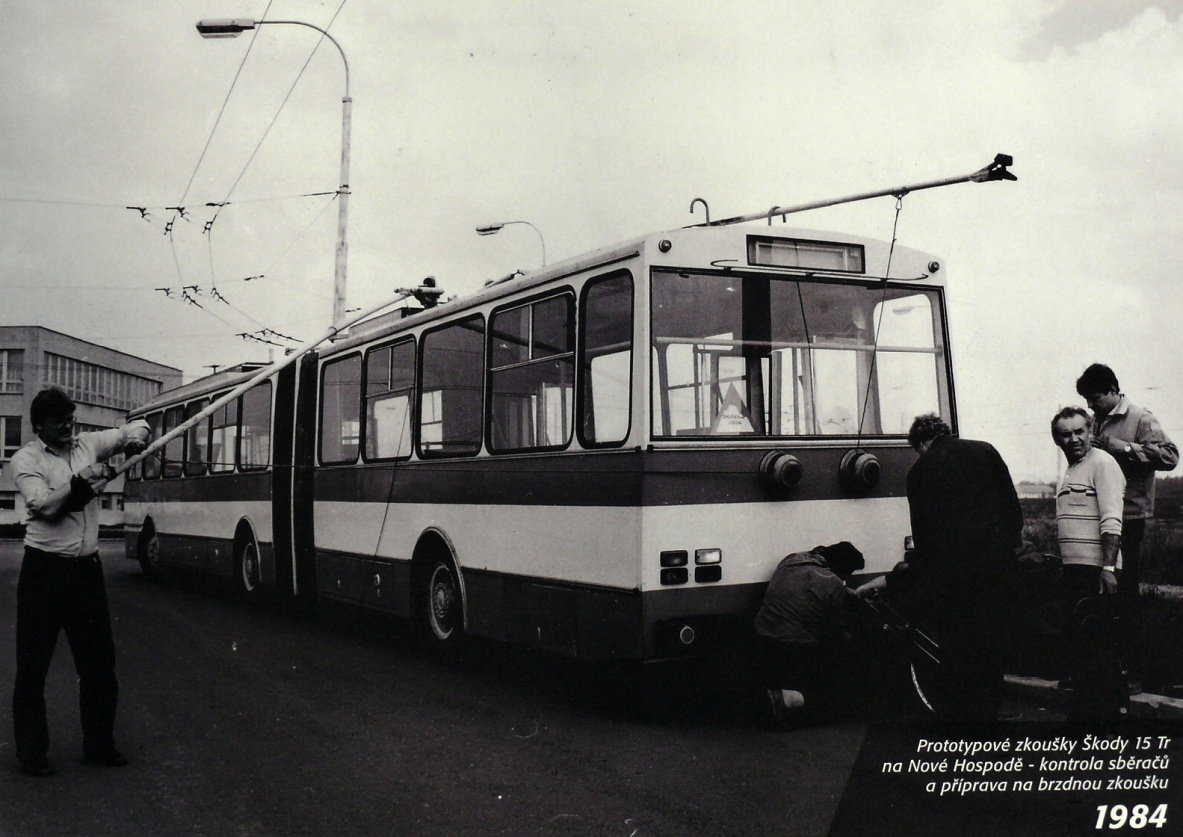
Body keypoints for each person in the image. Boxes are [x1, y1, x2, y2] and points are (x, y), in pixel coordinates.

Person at [6, 388, 149, 777]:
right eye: (59, 422)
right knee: (33, 668)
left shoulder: (87, 442)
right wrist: (85, 479)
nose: (68, 427)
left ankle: (100, 746)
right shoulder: (25, 460)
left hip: (86, 572)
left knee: (100, 666)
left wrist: (137, 435)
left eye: (71, 420)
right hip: (44, 574)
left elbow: (136, 425)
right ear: (39, 425)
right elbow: (48, 507)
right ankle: (32, 755)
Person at [861, 413, 1023, 723]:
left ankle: (961, 712)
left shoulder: (919, 471)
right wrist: (1004, 549)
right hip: (996, 566)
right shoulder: (985, 450)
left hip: (952, 574)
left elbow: (924, 537)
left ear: (921, 442)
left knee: (958, 640)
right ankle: (992, 707)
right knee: (991, 637)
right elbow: (1013, 511)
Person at [1075, 363, 1178, 691]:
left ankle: (1134, 672)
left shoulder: (1140, 417)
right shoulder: (1096, 419)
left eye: (1094, 399)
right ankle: (1101, 670)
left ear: (1110, 391)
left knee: (1125, 593)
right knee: (1098, 592)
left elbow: (1170, 457)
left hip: (1128, 517)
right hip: (1100, 514)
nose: (1090, 406)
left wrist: (1125, 449)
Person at [1051, 405, 1128, 723]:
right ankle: (1087, 719)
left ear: (1091, 431)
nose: (1073, 439)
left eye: (1079, 432)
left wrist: (1107, 570)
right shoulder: (1068, 472)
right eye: (1065, 434)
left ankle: (1109, 721)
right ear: (1057, 438)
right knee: (1082, 647)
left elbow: (1112, 519)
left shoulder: (1103, 464)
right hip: (1074, 570)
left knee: (1099, 647)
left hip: (1098, 571)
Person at [754, 542, 864, 726]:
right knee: (842, 650)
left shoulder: (791, 560)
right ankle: (789, 700)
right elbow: (834, 627)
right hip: (795, 645)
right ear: (841, 567)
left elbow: (810, 584)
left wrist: (845, 591)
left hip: (763, 634)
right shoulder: (833, 582)